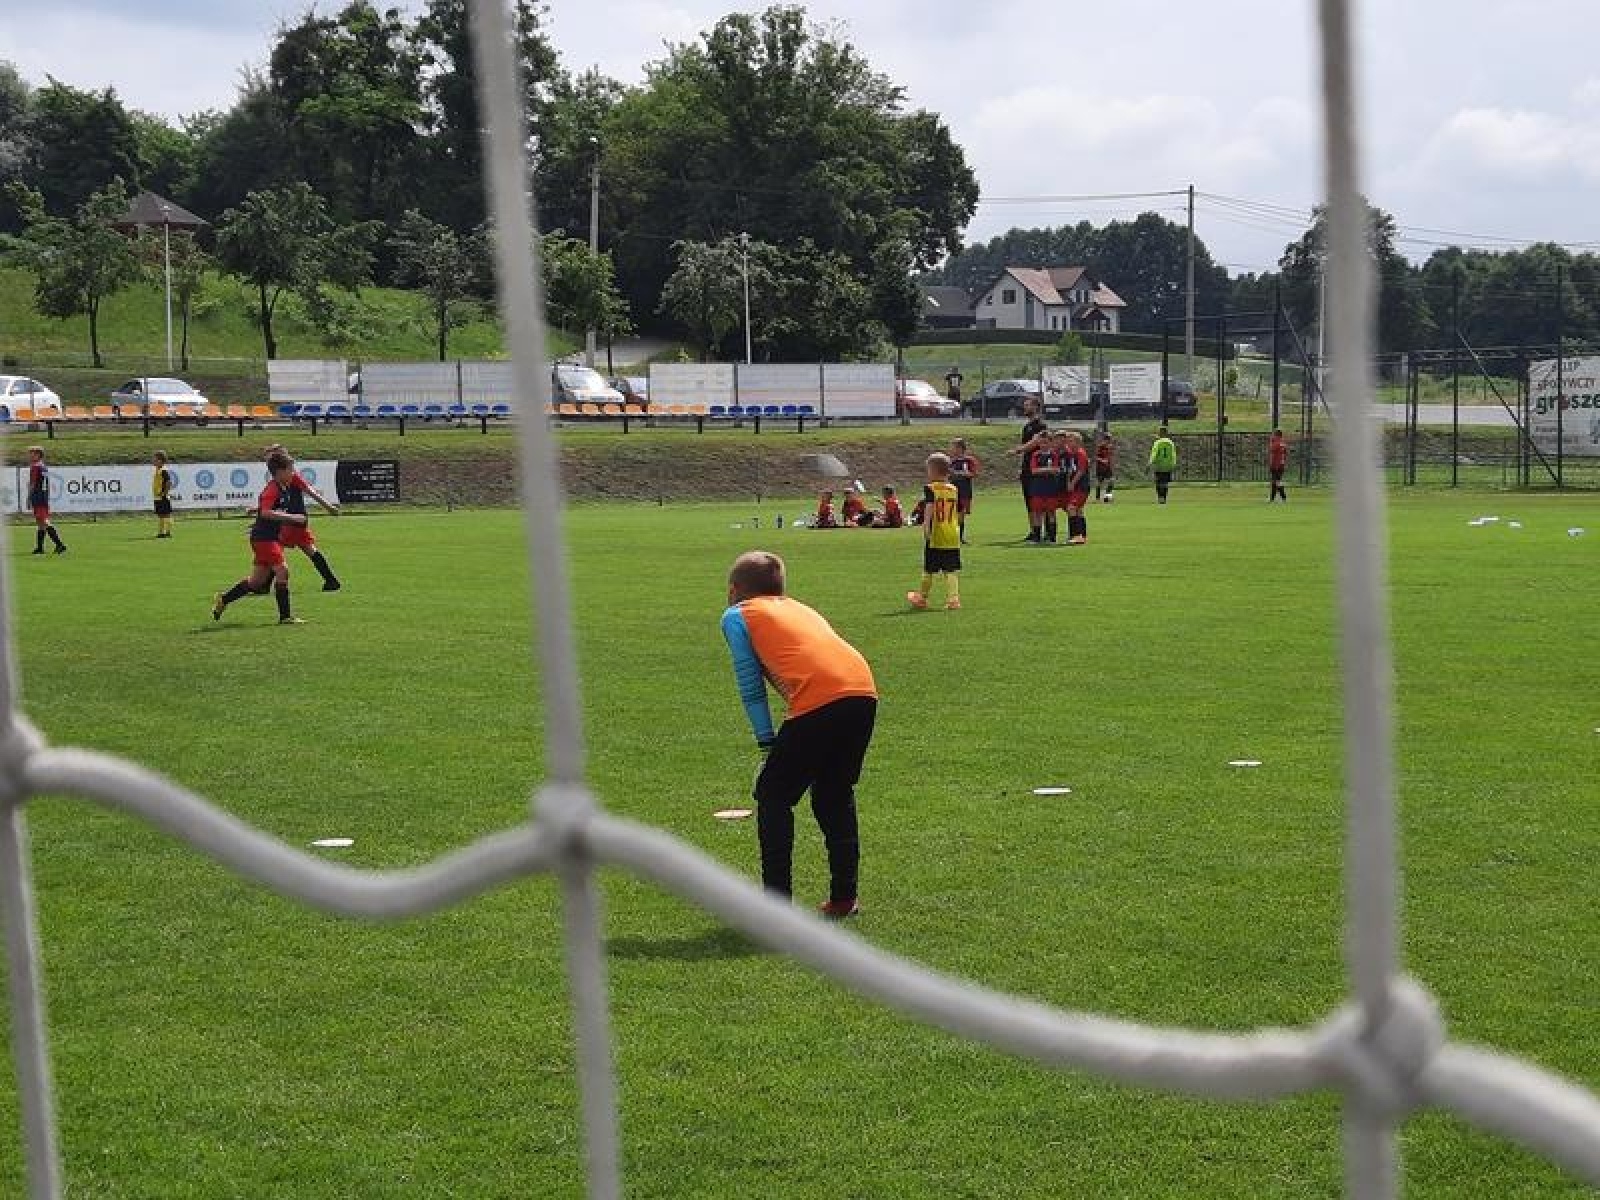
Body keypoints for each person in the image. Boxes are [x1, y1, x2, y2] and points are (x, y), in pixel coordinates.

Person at [721, 551, 877, 918]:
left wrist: (766, 742)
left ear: (733, 590)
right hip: (864, 691)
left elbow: (750, 686)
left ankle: (775, 910)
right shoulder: (800, 608)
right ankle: (844, 899)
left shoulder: (737, 615)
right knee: (834, 795)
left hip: (821, 700)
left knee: (773, 794)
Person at [212, 451, 308, 625]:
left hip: (267, 538)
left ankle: (223, 599)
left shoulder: (283, 488)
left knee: (256, 582)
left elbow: (265, 510)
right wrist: (293, 518)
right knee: (282, 571)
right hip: (265, 539)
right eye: (290, 469)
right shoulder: (273, 489)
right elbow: (266, 511)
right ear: (279, 471)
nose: (293, 473)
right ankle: (285, 616)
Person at [262, 445, 342, 590]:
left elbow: (311, 492)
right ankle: (331, 581)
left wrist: (329, 507)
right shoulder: (280, 476)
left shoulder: (291, 476)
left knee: (275, 548)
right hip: (295, 519)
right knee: (307, 549)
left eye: (270, 455)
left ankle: (265, 585)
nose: (267, 459)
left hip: (292, 520)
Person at [908, 452, 962, 609]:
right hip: (952, 533)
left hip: (936, 533)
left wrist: (925, 525)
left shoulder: (931, 488)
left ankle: (922, 598)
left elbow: (930, 508)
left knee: (929, 568)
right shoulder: (953, 489)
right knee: (950, 569)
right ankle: (953, 599)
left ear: (932, 471)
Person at [1009, 397, 1049, 540]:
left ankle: (1045, 530)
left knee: (1039, 499)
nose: (1025, 408)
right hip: (1027, 467)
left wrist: (1017, 450)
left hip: (1038, 467)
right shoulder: (1026, 427)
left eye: (1027, 405)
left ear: (1035, 407)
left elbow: (1035, 442)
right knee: (1028, 499)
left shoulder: (1041, 425)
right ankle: (1033, 530)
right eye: (1024, 405)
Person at [25, 447, 65, 555]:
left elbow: (33, 484)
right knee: (40, 522)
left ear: (38, 455)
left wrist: (29, 498)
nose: (30, 456)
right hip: (43, 496)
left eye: (32, 454)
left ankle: (59, 544)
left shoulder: (36, 467)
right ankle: (40, 548)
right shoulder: (43, 467)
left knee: (43, 521)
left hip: (38, 497)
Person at [1024, 429, 1062, 543]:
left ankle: (1052, 536)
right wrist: (1048, 470)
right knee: (1037, 512)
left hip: (1051, 487)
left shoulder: (1054, 455)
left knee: (1051, 512)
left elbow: (1056, 469)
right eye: (1041, 443)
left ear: (1050, 443)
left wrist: (1045, 470)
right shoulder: (1036, 455)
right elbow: (1034, 471)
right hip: (1037, 487)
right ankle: (1036, 537)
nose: (1043, 445)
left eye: (1045, 442)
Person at [947, 438, 980, 543]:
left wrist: (959, 473)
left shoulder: (968, 460)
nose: (951, 449)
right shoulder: (950, 461)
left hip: (964, 491)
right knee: (951, 514)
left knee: (961, 514)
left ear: (960, 448)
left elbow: (973, 473)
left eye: (953, 446)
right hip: (951, 491)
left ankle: (959, 537)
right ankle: (952, 536)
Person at [1063, 430, 1091, 545]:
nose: (1068, 443)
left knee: (1071, 508)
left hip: (1081, 486)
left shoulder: (1080, 453)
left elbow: (1080, 471)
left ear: (1078, 442)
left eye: (1071, 441)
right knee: (1078, 510)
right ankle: (1083, 536)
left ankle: (1075, 535)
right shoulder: (1072, 454)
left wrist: (1072, 483)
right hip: (1077, 486)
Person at [1149, 425, 1178, 505]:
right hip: (1168, 465)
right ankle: (1164, 498)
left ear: (1160, 433)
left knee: (1158, 482)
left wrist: (1150, 462)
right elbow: (1173, 454)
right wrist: (1173, 463)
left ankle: (1160, 497)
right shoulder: (1170, 443)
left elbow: (1154, 453)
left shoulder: (1157, 443)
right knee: (1165, 483)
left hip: (1159, 465)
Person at [152, 451, 175, 538]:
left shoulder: (163, 470)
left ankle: (167, 532)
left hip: (162, 496)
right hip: (157, 496)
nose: (153, 461)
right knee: (161, 514)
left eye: (155, 459)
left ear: (160, 460)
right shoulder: (158, 470)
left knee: (166, 514)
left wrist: (164, 493)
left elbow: (169, 483)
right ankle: (162, 532)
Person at [1268, 428, 1290, 502]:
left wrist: (1271, 441)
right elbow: (1286, 454)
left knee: (1276, 481)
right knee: (1275, 481)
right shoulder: (1283, 443)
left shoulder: (1276, 443)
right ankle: (1272, 499)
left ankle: (1283, 497)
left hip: (1276, 465)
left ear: (1276, 435)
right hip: (1281, 465)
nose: (1273, 436)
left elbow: (1272, 451)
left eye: (1274, 434)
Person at [1094, 432, 1116, 502]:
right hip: (1100, 468)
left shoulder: (1110, 447)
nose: (1109, 441)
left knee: (1111, 481)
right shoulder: (1101, 447)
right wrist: (1102, 460)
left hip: (1107, 468)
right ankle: (1097, 498)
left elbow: (1110, 457)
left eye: (1109, 439)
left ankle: (1107, 497)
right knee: (1099, 483)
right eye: (1107, 439)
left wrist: (1111, 465)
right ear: (1104, 439)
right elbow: (1096, 457)